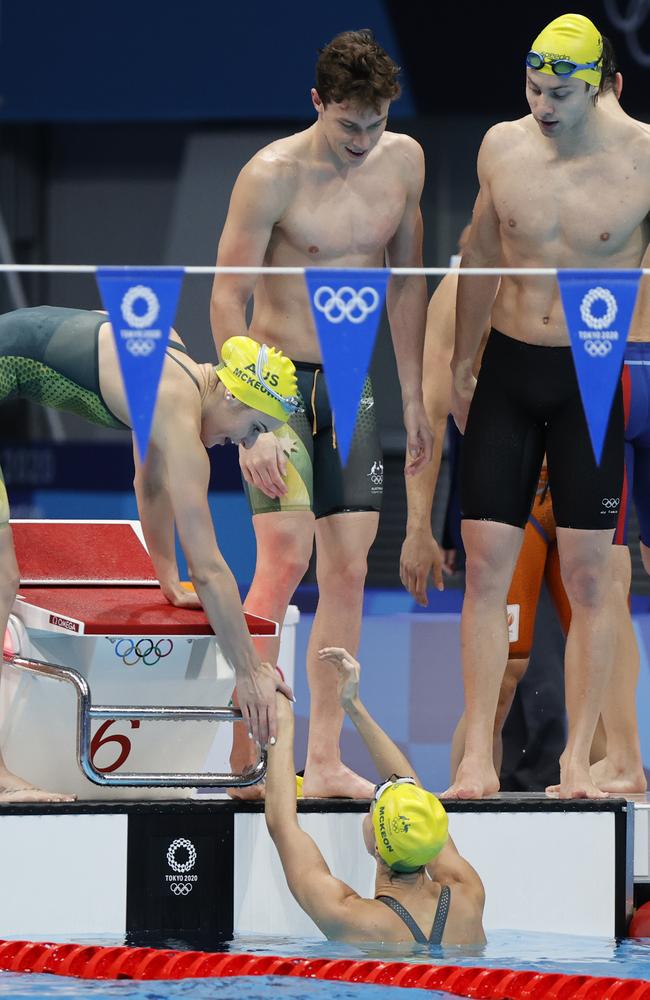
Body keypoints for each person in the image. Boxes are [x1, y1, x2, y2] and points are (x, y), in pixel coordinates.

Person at [210, 29, 432, 799]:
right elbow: (225, 302)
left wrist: (414, 396)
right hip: (272, 383)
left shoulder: (404, 163)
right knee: (283, 561)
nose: (362, 141)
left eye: (374, 124)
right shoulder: (269, 175)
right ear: (317, 103)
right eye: (347, 125)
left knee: (346, 573)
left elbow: (405, 287)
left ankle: (328, 759)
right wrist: (251, 422)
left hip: (351, 383)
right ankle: (245, 755)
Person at [447, 12, 650, 799]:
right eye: (533, 88)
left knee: (594, 577)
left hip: (592, 377)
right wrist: (463, 364)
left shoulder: (642, 159)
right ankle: (474, 762)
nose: (543, 105)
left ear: (604, 84)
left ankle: (576, 766)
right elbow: (479, 253)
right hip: (506, 367)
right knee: (485, 571)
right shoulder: (503, 146)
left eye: (560, 91)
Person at [0, 305, 297, 801]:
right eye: (250, 427)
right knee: (4, 579)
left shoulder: (173, 360)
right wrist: (249, 670)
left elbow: (149, 482)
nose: (241, 442)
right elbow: (208, 567)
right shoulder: (174, 404)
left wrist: (166, 582)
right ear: (229, 392)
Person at [265, 646, 485, 944]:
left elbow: (282, 824)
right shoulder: (467, 895)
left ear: (376, 846)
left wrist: (279, 712)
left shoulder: (352, 918)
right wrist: (353, 705)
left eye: (376, 801)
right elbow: (413, 795)